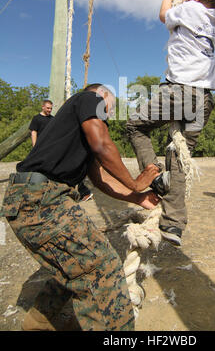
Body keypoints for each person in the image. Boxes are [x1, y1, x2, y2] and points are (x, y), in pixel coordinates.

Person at [1, 84, 159, 331]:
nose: (107, 115)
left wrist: (137, 198)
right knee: (102, 267)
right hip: (41, 198)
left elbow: (100, 178)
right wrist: (136, 183)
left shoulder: (75, 134)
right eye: (110, 108)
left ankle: (37, 325)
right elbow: (102, 145)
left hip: (32, 198)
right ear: (102, 95)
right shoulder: (89, 97)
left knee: (75, 267)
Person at [126, 0, 215, 247]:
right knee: (179, 158)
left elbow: (162, 14)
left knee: (134, 126)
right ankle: (174, 225)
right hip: (205, 99)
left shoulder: (190, 8)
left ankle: (154, 175)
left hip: (180, 93)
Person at [30, 99, 93, 202]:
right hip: (40, 150)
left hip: (52, 149)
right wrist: (35, 147)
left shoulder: (53, 119)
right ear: (43, 107)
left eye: (51, 108)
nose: (50, 110)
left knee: (63, 169)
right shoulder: (37, 119)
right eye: (48, 108)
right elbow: (33, 133)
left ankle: (83, 191)